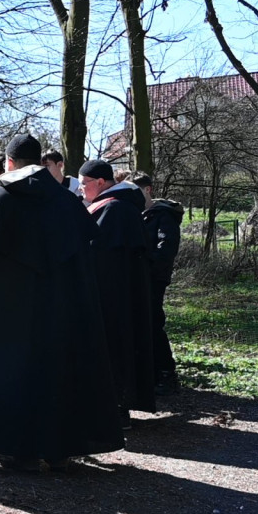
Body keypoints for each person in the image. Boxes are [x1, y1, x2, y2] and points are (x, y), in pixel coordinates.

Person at [0, 133, 124, 471]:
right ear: (42, 163)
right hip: (61, 317)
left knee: (12, 374)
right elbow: (84, 268)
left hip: (7, 319)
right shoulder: (67, 203)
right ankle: (60, 447)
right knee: (59, 372)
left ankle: (18, 450)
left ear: (9, 163)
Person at [80, 159, 155, 425]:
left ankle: (114, 409)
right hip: (120, 294)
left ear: (100, 182)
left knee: (113, 349)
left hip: (111, 296)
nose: (81, 189)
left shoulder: (113, 209)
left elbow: (98, 254)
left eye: (84, 183)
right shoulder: (120, 206)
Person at [136, 173, 183, 395]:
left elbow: (166, 248)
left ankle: (166, 371)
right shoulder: (142, 214)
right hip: (143, 276)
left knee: (154, 320)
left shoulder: (163, 215)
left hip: (155, 277)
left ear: (148, 190)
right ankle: (153, 370)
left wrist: (147, 265)